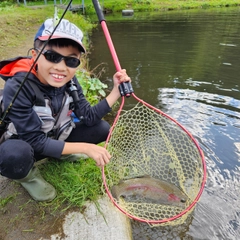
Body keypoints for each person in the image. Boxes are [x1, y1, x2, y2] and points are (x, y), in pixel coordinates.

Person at [0, 18, 131, 202]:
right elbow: (35, 141)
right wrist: (85, 148)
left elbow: (88, 116)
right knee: (12, 156)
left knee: (101, 128)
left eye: (70, 61)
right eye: (52, 56)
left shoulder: (70, 81)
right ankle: (28, 177)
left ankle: (61, 154)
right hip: (29, 146)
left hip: (56, 137)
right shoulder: (18, 86)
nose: (61, 67)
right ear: (34, 55)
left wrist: (116, 91)